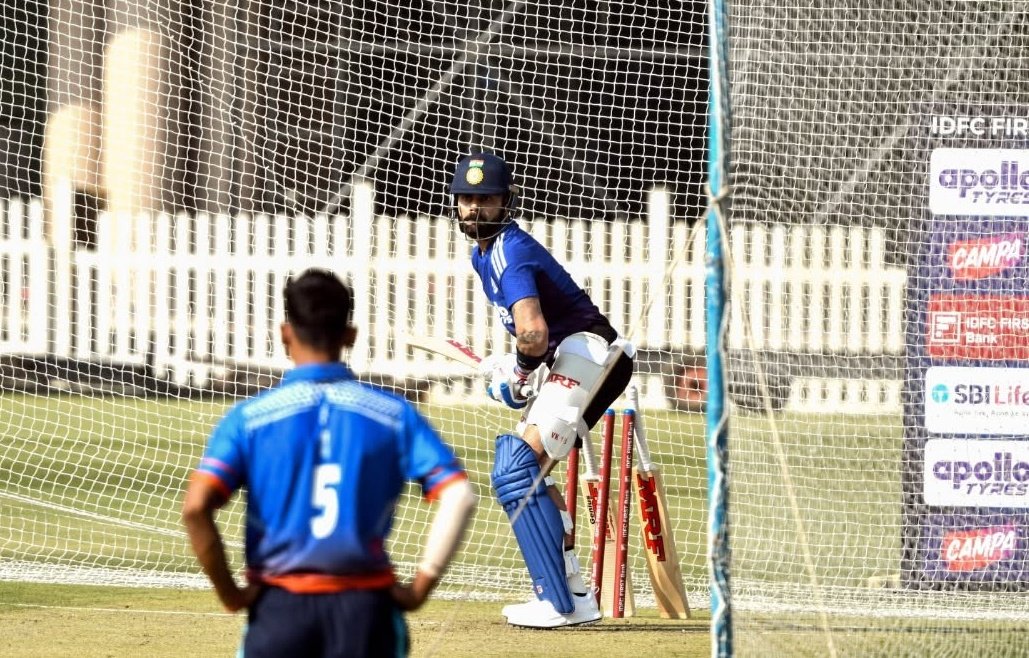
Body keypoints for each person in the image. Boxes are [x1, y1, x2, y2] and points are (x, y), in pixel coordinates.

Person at [182, 268, 476, 657]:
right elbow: (460, 495)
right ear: (350, 335)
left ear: (286, 333)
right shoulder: (392, 414)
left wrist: (231, 594)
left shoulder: (251, 418)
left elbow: (195, 508)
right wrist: (421, 585)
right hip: (366, 611)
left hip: (279, 610)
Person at [449, 153, 635, 628]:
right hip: (572, 356)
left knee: (517, 467)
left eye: (485, 199)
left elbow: (531, 335)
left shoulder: (511, 252)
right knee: (525, 469)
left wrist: (517, 371)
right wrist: (521, 371)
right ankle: (575, 593)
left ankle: (558, 603)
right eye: (467, 199)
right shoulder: (482, 254)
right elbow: (536, 340)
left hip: (593, 354)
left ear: (506, 202)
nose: (474, 209)